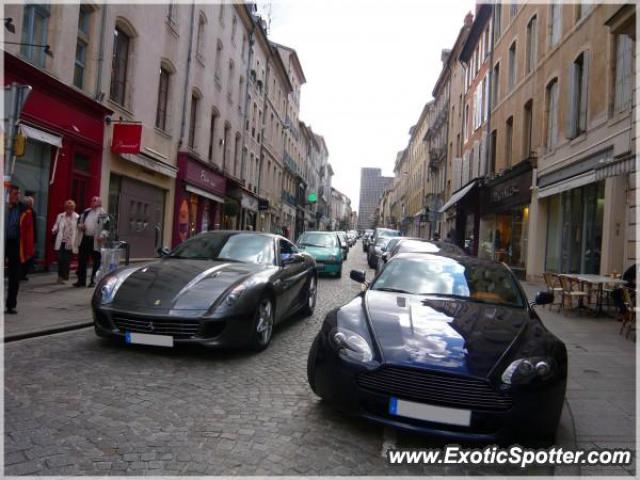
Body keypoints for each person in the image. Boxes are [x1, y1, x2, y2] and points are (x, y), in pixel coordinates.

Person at [74, 196, 110, 288]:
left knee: (96, 261)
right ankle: (81, 281)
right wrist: (81, 226)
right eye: (91, 200)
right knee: (82, 260)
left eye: (94, 200)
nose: (92, 202)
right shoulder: (86, 211)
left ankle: (93, 280)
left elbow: (107, 227)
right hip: (85, 238)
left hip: (96, 240)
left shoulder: (103, 213)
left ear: (99, 202)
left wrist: (102, 235)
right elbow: (79, 221)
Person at [5, 186, 26, 314]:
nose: (17, 196)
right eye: (15, 193)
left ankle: (11, 305)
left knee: (14, 276)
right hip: (3, 241)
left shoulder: (23, 209)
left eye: (18, 193)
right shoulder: (4, 206)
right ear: (8, 195)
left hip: (15, 245)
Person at [52, 200, 79, 284]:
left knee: (66, 260)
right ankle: (60, 276)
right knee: (60, 259)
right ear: (65, 208)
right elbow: (56, 224)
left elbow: (78, 229)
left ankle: (63, 277)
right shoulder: (60, 216)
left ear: (73, 208)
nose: (69, 210)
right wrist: (54, 229)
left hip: (70, 242)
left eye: (71, 208)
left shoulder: (77, 217)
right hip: (61, 241)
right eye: (67, 208)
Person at [20, 196, 36, 281]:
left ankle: (23, 273)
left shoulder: (28, 212)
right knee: (26, 255)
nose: (32, 204)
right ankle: (22, 274)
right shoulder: (28, 212)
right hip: (26, 237)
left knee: (26, 256)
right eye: (31, 202)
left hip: (28, 236)